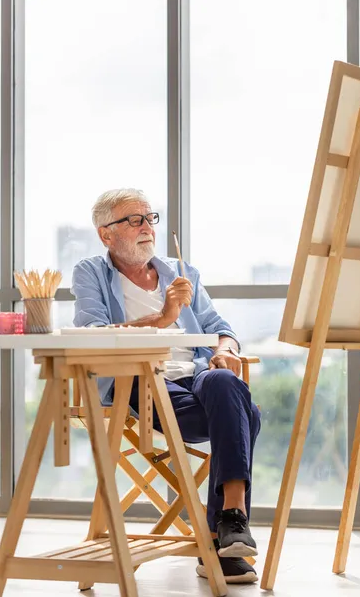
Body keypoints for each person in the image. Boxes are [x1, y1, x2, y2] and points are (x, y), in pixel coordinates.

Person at [71, 188, 261, 584]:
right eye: (134, 220)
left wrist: (224, 350)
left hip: (198, 375)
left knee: (226, 382)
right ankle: (222, 540)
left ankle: (231, 516)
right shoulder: (90, 272)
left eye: (149, 218)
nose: (147, 227)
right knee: (247, 414)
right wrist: (163, 317)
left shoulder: (181, 270)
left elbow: (220, 329)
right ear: (107, 234)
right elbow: (93, 334)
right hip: (141, 381)